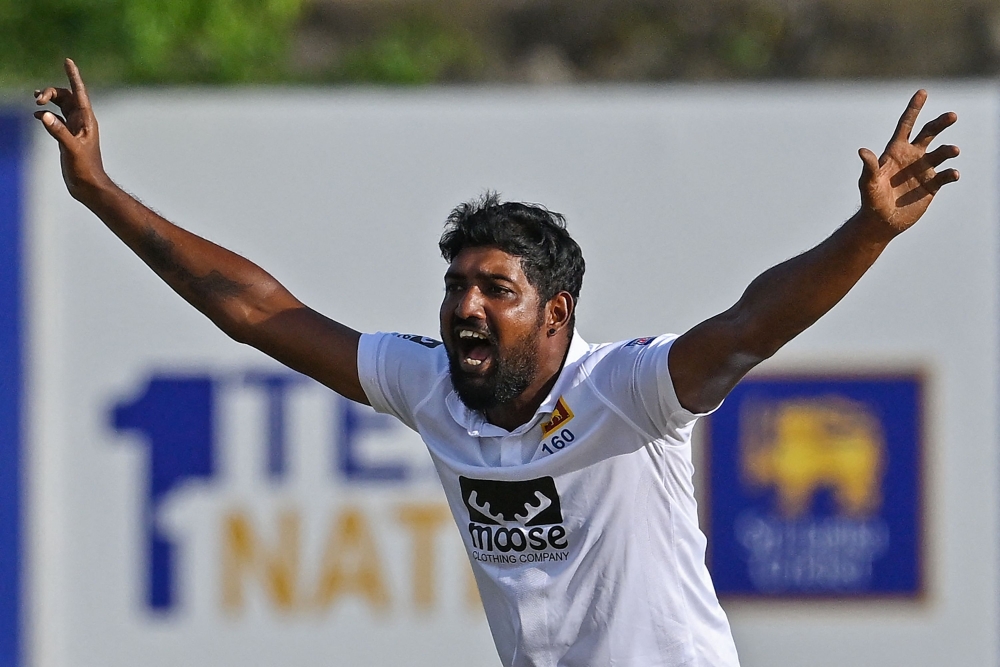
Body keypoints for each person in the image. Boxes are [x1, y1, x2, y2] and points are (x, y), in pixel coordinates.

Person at [34, 58, 960, 667]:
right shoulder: (431, 384)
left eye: (495, 290)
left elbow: (752, 325)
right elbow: (258, 310)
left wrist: (867, 231)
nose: (465, 307)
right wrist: (101, 193)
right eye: (457, 286)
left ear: (556, 313)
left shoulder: (623, 390)